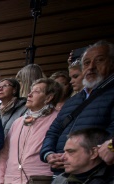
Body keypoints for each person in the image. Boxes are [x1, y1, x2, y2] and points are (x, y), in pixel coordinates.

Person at [41, 41, 114, 175]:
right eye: (86, 63)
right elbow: (53, 131)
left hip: (96, 174)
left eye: (99, 60)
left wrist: (107, 147)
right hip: (63, 171)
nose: (91, 67)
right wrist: (48, 154)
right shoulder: (73, 100)